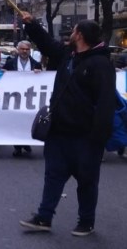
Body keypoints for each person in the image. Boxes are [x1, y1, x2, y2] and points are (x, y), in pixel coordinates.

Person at [18, 12, 116, 237]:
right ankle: (44, 217)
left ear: (79, 35)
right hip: (59, 132)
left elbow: (105, 103)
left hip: (86, 136)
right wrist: (31, 25)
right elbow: (46, 43)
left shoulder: (101, 64)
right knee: (53, 176)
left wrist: (99, 138)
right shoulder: (68, 55)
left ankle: (86, 222)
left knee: (87, 182)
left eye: (73, 32)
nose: (70, 35)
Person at [3, 40, 43, 157]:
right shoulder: (10, 63)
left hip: (30, 97)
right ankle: (17, 146)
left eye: (27, 49)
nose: (24, 51)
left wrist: (39, 73)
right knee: (16, 121)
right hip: (14, 96)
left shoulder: (36, 64)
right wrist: (4, 72)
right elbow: (3, 76)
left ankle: (26, 142)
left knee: (28, 120)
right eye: (22, 49)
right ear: (18, 49)